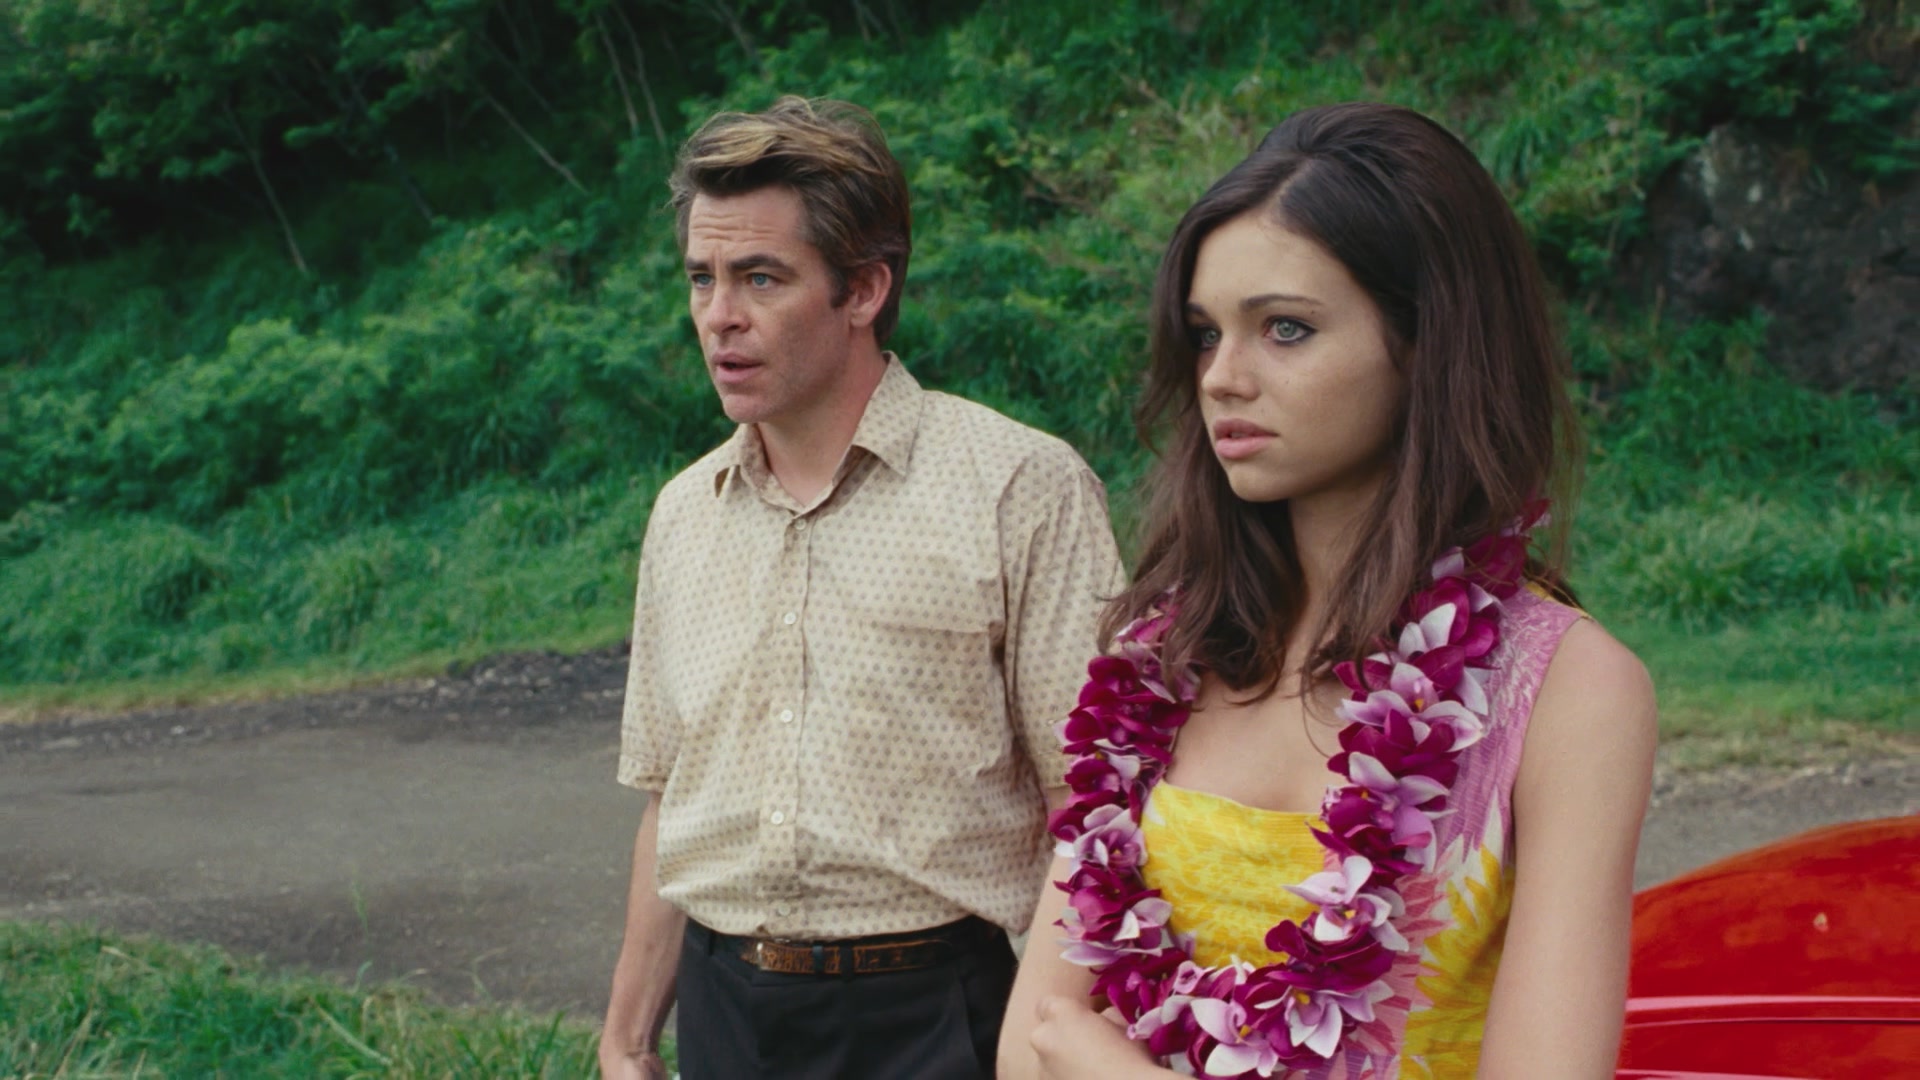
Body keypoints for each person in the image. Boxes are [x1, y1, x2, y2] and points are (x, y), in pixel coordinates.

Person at [996, 103, 1658, 1079]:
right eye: (1205, 334)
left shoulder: (1569, 689)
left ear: (1428, 341)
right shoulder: (1162, 659)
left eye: (1286, 329)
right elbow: (1030, 1045)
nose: (1222, 377)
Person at [599, 96, 1126, 1080]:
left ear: (865, 288)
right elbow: (675, 803)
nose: (719, 315)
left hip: (933, 1021)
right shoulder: (682, 515)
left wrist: (1041, 1043)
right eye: (703, 278)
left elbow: (1096, 809)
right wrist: (626, 1038)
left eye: (762, 277)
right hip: (723, 1019)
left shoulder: (1020, 487)